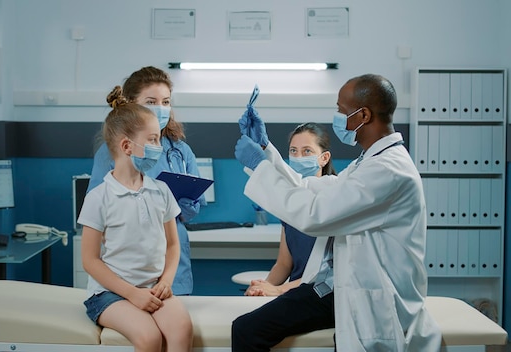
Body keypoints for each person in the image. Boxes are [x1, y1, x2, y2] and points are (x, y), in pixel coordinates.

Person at [232, 74, 442, 351]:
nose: (338, 117)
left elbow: (315, 214)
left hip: (379, 305)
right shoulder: (368, 163)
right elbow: (311, 189)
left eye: (342, 111)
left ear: (363, 115)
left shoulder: (387, 170)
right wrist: (265, 152)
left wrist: (260, 167)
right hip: (353, 294)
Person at [78, 89, 192, 352]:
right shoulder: (100, 197)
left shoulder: (161, 191)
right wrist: (132, 294)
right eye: (152, 140)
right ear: (127, 146)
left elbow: (173, 246)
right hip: (109, 294)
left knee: (181, 329)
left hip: (154, 288)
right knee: (149, 338)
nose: (159, 147)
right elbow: (90, 260)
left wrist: (165, 282)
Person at [86, 66, 205, 295]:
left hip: (173, 267)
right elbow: (99, 205)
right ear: (131, 103)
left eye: (166, 102)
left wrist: (184, 205)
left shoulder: (180, 150)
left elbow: (193, 209)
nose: (160, 109)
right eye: (151, 102)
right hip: (128, 263)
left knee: (173, 321)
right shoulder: (111, 151)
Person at [244, 122, 337, 297]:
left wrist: (278, 290)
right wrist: (262, 288)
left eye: (307, 151)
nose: (298, 157)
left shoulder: (334, 199)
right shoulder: (290, 202)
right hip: (292, 292)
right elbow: (284, 264)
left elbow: (327, 271)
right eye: (293, 151)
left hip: (320, 293)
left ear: (324, 158)